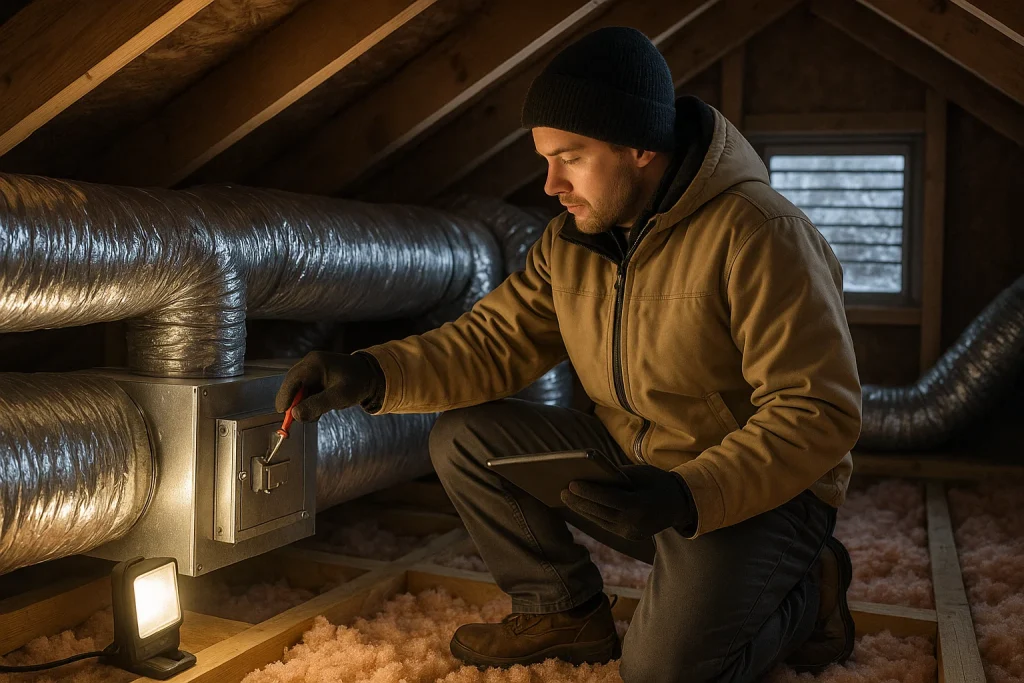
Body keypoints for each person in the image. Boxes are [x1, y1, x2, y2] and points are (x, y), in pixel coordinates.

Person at [277, 26, 862, 683]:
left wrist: (688, 492)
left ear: (640, 146)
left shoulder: (761, 234)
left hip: (753, 494)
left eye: (571, 157)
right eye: (546, 159)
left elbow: (818, 412)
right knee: (467, 437)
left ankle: (810, 594)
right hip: (638, 469)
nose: (552, 183)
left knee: (661, 674)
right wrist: (370, 372)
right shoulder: (573, 242)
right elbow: (491, 343)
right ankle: (563, 612)